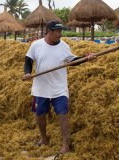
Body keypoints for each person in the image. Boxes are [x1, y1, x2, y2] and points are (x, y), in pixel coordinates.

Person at [22, 20, 95, 154]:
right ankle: (44, 138)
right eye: (57, 32)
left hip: (59, 87)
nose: (60, 34)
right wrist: (27, 73)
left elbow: (72, 61)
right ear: (49, 31)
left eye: (61, 31)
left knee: (63, 114)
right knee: (40, 114)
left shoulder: (64, 46)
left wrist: (85, 58)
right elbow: (28, 61)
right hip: (41, 87)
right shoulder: (36, 45)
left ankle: (65, 145)